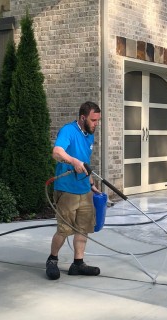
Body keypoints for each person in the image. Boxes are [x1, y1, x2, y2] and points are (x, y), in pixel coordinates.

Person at [46, 101, 102, 280]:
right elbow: (57, 152)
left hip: (84, 189)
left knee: (83, 229)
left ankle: (78, 264)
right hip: (67, 190)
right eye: (93, 120)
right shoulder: (68, 131)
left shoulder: (89, 135)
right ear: (83, 117)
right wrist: (73, 161)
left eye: (98, 120)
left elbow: (85, 162)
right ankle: (52, 260)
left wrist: (92, 184)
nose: (96, 124)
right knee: (63, 230)